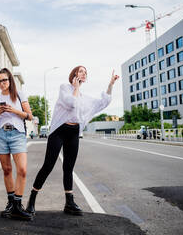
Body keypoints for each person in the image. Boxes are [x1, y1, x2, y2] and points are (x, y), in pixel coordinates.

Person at [26, 66, 119, 216]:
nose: (84, 73)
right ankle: (31, 200)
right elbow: (71, 103)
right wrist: (75, 88)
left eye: (86, 72)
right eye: (81, 71)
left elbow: (103, 102)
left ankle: (69, 203)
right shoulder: (65, 88)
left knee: (68, 168)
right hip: (59, 131)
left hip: (74, 133)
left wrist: (110, 85)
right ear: (74, 74)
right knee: (48, 166)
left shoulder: (83, 97)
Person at [0, 68, 33, 221]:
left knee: (22, 170)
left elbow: (29, 116)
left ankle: (18, 204)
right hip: (1, 134)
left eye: (4, 80)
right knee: (7, 170)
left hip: (17, 134)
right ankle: (11, 203)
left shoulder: (19, 95)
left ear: (10, 80)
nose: (1, 83)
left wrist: (13, 110)